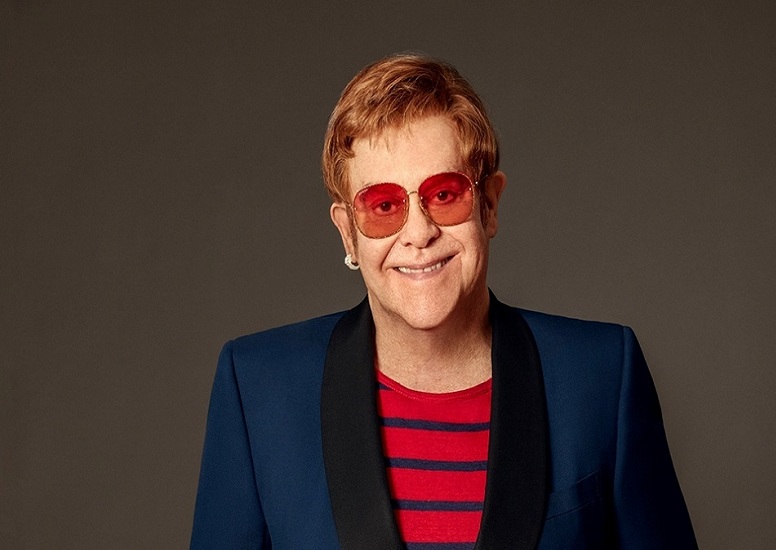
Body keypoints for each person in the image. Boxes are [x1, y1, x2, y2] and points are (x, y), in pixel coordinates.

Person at [191, 54, 697, 549]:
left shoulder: (602, 376)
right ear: (348, 233)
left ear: (489, 205)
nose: (419, 233)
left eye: (444, 194)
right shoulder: (258, 388)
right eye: (383, 205)